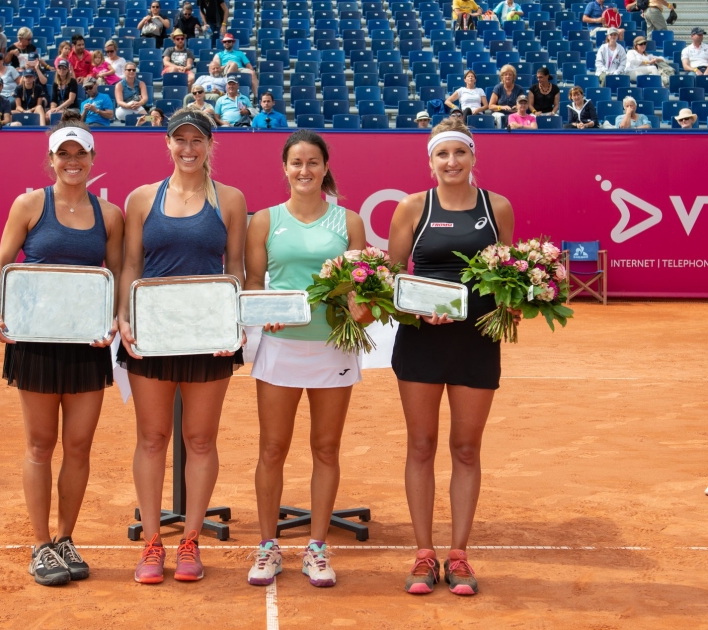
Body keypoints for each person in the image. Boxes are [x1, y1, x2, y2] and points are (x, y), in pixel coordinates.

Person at [0, 113, 124, 587]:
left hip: (87, 344)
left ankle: (67, 538)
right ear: (50, 160)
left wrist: (114, 319)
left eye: (79, 153)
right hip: (36, 343)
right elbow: (2, 266)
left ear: (92, 159)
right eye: (63, 154)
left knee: (79, 446)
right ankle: (41, 545)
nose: (72, 161)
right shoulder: (27, 205)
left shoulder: (110, 216)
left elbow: (120, 278)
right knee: (41, 444)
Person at [116, 110, 247, 585]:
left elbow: (235, 268)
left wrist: (230, 323)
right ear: (167, 145)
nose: (188, 148)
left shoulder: (230, 199)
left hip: (208, 336)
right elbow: (131, 263)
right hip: (152, 333)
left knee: (200, 439)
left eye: (197, 140)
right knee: (152, 438)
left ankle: (190, 540)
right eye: (180, 140)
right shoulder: (140, 199)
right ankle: (153, 542)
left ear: (211, 145)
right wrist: (126, 314)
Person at [387, 118, 516, 597]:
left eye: (460, 153)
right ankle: (424, 553)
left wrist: (515, 304)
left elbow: (506, 277)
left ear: (473, 157)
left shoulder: (496, 207)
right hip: (422, 339)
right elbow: (391, 282)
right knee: (420, 446)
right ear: (430, 161)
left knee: (466, 449)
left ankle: (458, 554)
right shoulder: (412, 208)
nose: (452, 162)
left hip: (477, 341)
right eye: (442, 155)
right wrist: (420, 308)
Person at [244, 130, 366, 589]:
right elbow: (253, 281)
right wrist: (265, 312)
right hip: (280, 348)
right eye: (296, 162)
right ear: (285, 168)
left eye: (313, 162)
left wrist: (362, 308)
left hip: (333, 347)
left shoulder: (349, 222)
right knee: (272, 449)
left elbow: (361, 287)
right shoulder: (265, 221)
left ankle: (316, 548)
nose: (304, 170)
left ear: (325, 166)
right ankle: (268, 546)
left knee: (326, 448)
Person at [213, 32, 256, 98]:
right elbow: (216, 69)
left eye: (229, 41)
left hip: (240, 69)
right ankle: (226, 87)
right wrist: (228, 64)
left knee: (252, 73)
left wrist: (251, 70)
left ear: (233, 42)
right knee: (234, 64)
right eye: (225, 42)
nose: (227, 43)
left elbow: (249, 65)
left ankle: (258, 97)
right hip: (225, 69)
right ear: (223, 43)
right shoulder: (219, 54)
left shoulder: (240, 53)